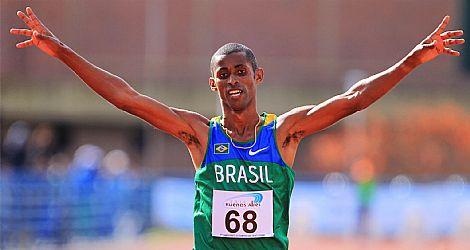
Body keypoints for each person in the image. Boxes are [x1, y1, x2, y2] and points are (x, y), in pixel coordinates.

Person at [10, 7, 464, 249]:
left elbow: (352, 100)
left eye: (240, 71)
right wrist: (63, 52)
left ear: (257, 76)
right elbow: (125, 97)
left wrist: (411, 61)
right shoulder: (200, 136)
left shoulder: (284, 133)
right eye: (223, 74)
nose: (232, 80)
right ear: (212, 83)